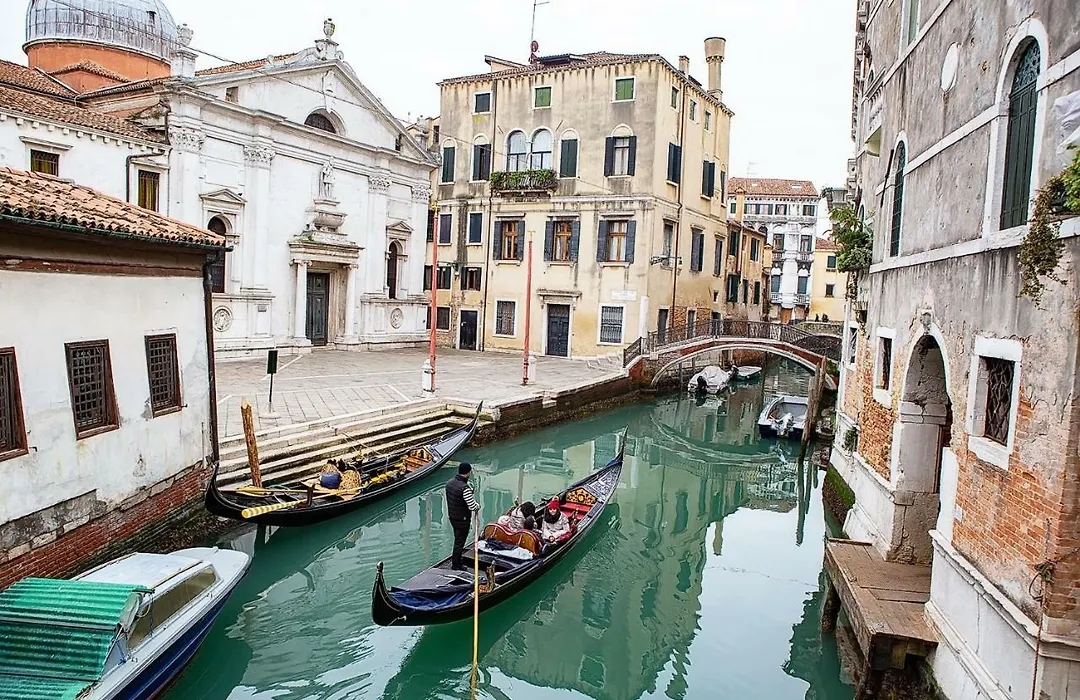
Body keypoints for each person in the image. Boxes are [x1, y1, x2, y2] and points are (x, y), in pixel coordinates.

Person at [445, 462, 481, 570]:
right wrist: (478, 506)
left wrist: (469, 493)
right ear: (468, 472)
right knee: (459, 542)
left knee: (457, 540)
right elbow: (472, 506)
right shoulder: (464, 488)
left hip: (453, 517)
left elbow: (457, 498)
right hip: (462, 519)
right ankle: (456, 565)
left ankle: (456, 561)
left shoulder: (449, 483)